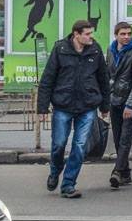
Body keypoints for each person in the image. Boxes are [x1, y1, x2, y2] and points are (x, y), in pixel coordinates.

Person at [37, 20, 109, 198]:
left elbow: (103, 79)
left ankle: (68, 184)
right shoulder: (61, 49)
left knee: (80, 146)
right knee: (58, 144)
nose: (91, 37)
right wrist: (42, 108)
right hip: (63, 104)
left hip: (87, 106)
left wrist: (105, 106)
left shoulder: (95, 50)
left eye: (91, 33)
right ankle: (55, 171)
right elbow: (48, 79)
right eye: (87, 34)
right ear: (76, 34)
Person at [106, 22, 132, 190]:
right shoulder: (110, 50)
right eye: (123, 34)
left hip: (129, 101)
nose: (127, 36)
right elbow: (107, 74)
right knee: (117, 138)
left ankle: (116, 171)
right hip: (114, 100)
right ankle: (126, 173)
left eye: (129, 33)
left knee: (125, 139)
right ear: (116, 35)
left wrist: (130, 104)